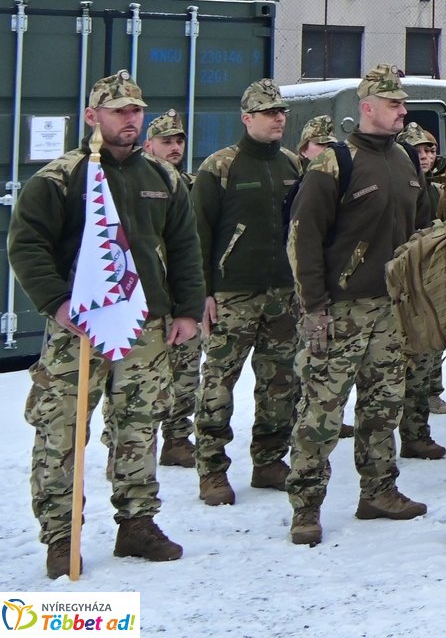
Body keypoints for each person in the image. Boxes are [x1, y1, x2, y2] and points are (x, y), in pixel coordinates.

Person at [13, 72, 204, 577]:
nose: (132, 119)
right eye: (120, 110)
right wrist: (56, 304)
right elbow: (26, 244)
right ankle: (61, 535)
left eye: (137, 110)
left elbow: (184, 246)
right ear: (93, 116)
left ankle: (136, 524)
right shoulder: (61, 178)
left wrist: (185, 310)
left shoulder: (161, 178)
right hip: (80, 328)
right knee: (61, 430)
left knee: (139, 426)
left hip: (145, 327)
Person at [285, 65, 427, 545]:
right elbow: (304, 239)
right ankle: (305, 506)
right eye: (394, 105)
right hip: (340, 312)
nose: (402, 112)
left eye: (403, 104)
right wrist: (313, 306)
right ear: (367, 108)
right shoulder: (335, 163)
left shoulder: (407, 159)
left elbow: (421, 233)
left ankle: (379, 491)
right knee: (322, 411)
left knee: (383, 406)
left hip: (392, 309)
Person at [191, 79, 302, 506]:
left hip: (282, 294)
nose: (278, 119)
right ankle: (212, 468)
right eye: (268, 112)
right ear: (246, 118)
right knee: (218, 384)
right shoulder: (220, 166)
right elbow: (197, 232)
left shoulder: (293, 165)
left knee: (280, 383)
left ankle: (270, 460)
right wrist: (203, 291)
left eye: (281, 112)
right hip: (231, 295)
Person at [138, 109, 200, 471]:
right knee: (138, 379)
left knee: (186, 370)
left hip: (181, 298)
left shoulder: (189, 184)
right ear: (149, 145)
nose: (175, 147)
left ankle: (177, 437)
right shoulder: (140, 184)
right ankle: (124, 445)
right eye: (166, 141)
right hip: (145, 300)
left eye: (179, 141)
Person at [396, 122, 446, 461]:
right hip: (404, 284)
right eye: (418, 150)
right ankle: (413, 433)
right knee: (413, 361)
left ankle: (418, 427)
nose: (426, 156)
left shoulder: (435, 190)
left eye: (430, 150)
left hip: (430, 281)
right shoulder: (402, 188)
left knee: (427, 354)